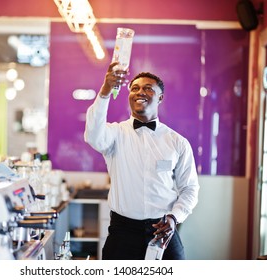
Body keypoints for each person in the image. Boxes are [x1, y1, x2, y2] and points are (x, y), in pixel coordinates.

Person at [84, 62, 200, 260]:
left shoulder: (177, 142)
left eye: (148, 88)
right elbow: (93, 135)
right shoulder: (114, 134)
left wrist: (175, 217)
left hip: (164, 231)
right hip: (122, 233)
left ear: (160, 97)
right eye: (135, 88)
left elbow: (189, 188)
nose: (140, 92)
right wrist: (105, 91)